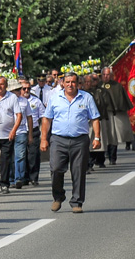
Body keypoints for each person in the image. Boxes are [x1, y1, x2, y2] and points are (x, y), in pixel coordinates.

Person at [41, 73, 102, 213]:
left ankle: (77, 202)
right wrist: (44, 139)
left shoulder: (86, 97)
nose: (70, 85)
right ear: (62, 83)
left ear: (78, 83)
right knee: (56, 168)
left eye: (73, 82)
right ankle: (58, 197)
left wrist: (97, 137)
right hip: (58, 139)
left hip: (79, 140)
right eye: (67, 82)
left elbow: (95, 118)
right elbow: (47, 119)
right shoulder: (55, 98)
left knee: (78, 171)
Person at [0, 77, 22, 194]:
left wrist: (13, 130)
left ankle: (4, 183)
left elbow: (19, 115)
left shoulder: (12, 97)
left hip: (7, 134)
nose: (0, 86)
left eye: (2, 84)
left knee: (5, 160)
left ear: (6, 85)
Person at [95, 65, 133, 166]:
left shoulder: (117, 86)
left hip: (112, 114)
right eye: (104, 74)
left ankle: (112, 157)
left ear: (111, 75)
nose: (106, 76)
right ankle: (100, 159)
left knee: (113, 136)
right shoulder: (97, 86)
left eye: (108, 74)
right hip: (101, 115)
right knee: (102, 136)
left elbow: (121, 100)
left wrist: (118, 108)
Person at [12, 80, 35, 189]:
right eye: (15, 90)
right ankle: (9, 178)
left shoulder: (24, 102)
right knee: (9, 157)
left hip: (21, 131)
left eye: (18, 89)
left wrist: (30, 134)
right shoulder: (5, 101)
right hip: (6, 132)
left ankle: (19, 179)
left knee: (20, 156)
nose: (17, 92)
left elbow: (29, 118)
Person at [25, 79, 45, 185]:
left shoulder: (36, 101)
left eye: (28, 88)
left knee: (33, 155)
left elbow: (43, 116)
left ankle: (34, 177)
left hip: (34, 130)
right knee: (21, 156)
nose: (26, 90)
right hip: (21, 131)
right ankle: (23, 177)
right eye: (24, 88)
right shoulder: (16, 100)